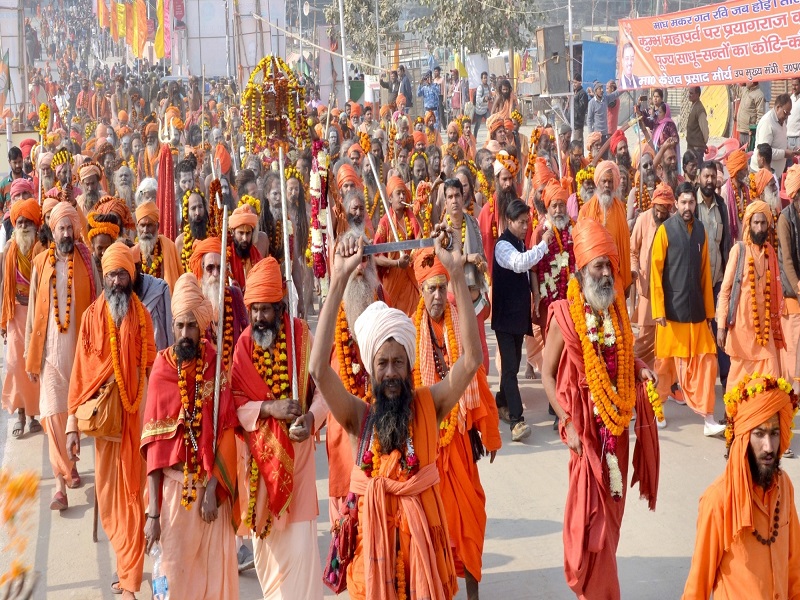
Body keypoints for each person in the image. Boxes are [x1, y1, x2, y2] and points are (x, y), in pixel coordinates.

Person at [309, 223, 481, 600]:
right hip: (373, 567)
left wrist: (454, 272)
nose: (390, 373)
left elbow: (470, 361)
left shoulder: (428, 405)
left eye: (398, 363)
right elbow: (318, 370)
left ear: (409, 365)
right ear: (372, 368)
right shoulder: (359, 418)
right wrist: (337, 281)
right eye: (382, 364)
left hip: (424, 563)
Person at [542, 216, 659, 600]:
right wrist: (567, 424)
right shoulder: (564, 315)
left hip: (618, 428)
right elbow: (546, 375)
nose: (607, 273)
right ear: (581, 271)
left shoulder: (616, 309)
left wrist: (641, 371)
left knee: (612, 516)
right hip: (584, 433)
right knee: (589, 518)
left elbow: (624, 355)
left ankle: (599, 585)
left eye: (610, 264)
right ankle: (598, 591)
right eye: (599, 266)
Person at [231, 256, 327, 599]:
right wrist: (270, 407)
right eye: (254, 309)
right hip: (259, 470)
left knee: (301, 559)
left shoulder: (302, 337)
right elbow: (234, 407)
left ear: (280, 308)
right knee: (267, 563)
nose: (258, 317)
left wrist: (312, 418)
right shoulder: (243, 347)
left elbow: (326, 390)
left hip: (297, 468)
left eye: (266, 310)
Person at [141, 273, 240, 598]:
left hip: (210, 496)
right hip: (173, 495)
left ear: (202, 328)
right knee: (174, 580)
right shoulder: (161, 370)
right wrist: (153, 513)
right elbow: (154, 450)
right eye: (180, 325)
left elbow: (227, 431)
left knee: (213, 583)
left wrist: (212, 488)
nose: (185, 334)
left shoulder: (215, 365)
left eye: (191, 327)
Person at [67, 243, 156, 598]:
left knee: (136, 500)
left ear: (131, 276)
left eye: (122, 273)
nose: (117, 281)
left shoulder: (143, 316)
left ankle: (130, 580)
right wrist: (73, 426)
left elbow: (152, 368)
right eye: (111, 275)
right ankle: (125, 566)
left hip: (137, 424)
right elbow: (81, 375)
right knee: (108, 501)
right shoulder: (91, 318)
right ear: (103, 278)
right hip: (105, 431)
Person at [411, 247, 501, 599]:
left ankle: (473, 594)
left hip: (460, 444)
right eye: (429, 289)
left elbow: (475, 377)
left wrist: (489, 432)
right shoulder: (410, 329)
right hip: (427, 447)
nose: (436, 295)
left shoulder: (457, 322)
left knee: (470, 520)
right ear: (420, 291)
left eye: (440, 287)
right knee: (437, 528)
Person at [682, 374, 800, 599]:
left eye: (774, 433)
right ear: (744, 438)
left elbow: (795, 567)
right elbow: (698, 584)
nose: (768, 446)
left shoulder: (784, 486)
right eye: (759, 434)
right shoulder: (717, 499)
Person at [25, 203, 96, 511]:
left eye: (70, 227)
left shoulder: (87, 261)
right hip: (50, 353)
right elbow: (32, 314)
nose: (66, 233)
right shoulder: (40, 263)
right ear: (52, 232)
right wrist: (31, 354)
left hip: (80, 354)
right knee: (53, 416)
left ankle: (71, 463)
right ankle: (59, 485)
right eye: (61, 228)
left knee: (74, 415)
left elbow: (96, 306)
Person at [650, 182, 723, 435]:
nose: (687, 207)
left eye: (691, 202)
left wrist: (710, 313)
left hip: (697, 313)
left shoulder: (701, 230)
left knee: (707, 361)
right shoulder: (665, 231)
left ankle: (709, 418)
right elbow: (655, 272)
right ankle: (657, 410)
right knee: (665, 365)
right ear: (676, 204)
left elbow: (705, 274)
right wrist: (658, 309)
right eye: (683, 202)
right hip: (670, 314)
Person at [492, 198, 553, 441]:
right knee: (509, 369)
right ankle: (517, 421)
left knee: (514, 362)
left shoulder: (518, 241)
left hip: (517, 316)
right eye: (521, 222)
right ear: (509, 221)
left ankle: (501, 401)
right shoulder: (503, 246)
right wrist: (543, 246)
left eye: (528, 222)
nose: (526, 226)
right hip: (505, 317)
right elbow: (520, 264)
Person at [717, 201, 785, 392]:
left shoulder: (770, 252)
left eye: (763, 223)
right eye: (756, 223)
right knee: (739, 384)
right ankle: (736, 417)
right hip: (742, 331)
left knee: (771, 378)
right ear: (748, 224)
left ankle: (767, 420)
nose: (760, 228)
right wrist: (721, 326)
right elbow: (725, 291)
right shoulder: (739, 251)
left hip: (764, 332)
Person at [1, 197, 43, 439]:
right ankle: (19, 413)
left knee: (33, 364)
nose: (24, 226)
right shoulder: (9, 250)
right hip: (16, 312)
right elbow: (4, 285)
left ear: (36, 224)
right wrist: (3, 321)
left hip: (37, 313)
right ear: (14, 225)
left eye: (28, 222)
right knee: (15, 364)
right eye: (20, 222)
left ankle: (32, 416)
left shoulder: (40, 248)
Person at [630, 183, 674, 370]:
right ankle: (634, 372)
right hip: (647, 289)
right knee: (645, 338)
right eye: (658, 206)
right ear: (653, 204)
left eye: (665, 207)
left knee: (666, 335)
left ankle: (665, 382)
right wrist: (635, 271)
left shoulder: (672, 224)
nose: (661, 211)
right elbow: (633, 250)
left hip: (667, 289)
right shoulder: (642, 220)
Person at [578, 160, 633, 297]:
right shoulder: (585, 210)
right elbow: (580, 246)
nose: (607, 185)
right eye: (604, 181)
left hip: (615, 272)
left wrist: (627, 278)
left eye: (610, 181)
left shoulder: (620, 208)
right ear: (598, 182)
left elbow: (625, 246)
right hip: (594, 275)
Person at [372, 176, 422, 316]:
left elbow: (421, 241)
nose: (402, 197)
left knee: (414, 320)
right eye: (398, 193)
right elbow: (376, 256)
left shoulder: (413, 218)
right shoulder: (384, 223)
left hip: (411, 279)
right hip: (392, 282)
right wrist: (396, 263)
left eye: (403, 193)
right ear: (389, 199)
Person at [778, 165, 800, 381]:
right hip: (792, 292)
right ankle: (793, 392)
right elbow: (787, 261)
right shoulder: (785, 219)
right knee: (793, 346)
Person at [132, 201, 182, 291]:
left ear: (157, 226)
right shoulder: (133, 253)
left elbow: (179, 280)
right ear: (137, 227)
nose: (145, 230)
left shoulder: (169, 247)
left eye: (150, 225)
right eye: (142, 225)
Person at [750, 93, 796, 176]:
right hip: (761, 173)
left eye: (788, 114)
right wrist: (784, 153)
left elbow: (780, 142)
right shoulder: (767, 122)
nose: (786, 116)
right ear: (778, 107)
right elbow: (764, 152)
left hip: (773, 174)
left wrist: (792, 149)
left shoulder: (781, 120)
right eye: (785, 112)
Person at [228, 204, 263, 291]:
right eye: (241, 233)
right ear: (233, 232)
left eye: (248, 233)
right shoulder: (226, 256)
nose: (245, 238)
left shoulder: (256, 255)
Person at [586, 83, 621, 154]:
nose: (602, 90)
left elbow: (616, 94)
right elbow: (589, 119)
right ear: (595, 91)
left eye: (602, 88)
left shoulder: (606, 99)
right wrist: (591, 134)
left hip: (605, 134)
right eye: (600, 88)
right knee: (597, 156)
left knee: (606, 155)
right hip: (596, 136)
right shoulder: (591, 103)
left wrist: (625, 87)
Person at [736, 82, 766, 147]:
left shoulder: (759, 95)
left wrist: (755, 131)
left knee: (749, 153)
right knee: (741, 154)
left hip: (750, 133)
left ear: (752, 82)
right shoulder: (745, 90)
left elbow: (760, 115)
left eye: (747, 80)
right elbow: (736, 89)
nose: (746, 82)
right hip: (742, 130)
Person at [685, 86, 709, 160]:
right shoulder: (693, 106)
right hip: (691, 146)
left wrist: (701, 144)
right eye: (689, 93)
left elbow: (705, 130)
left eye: (691, 93)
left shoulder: (700, 109)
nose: (689, 95)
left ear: (698, 94)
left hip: (697, 148)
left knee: (697, 169)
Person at [474, 71, 491, 137]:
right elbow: (477, 100)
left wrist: (490, 98)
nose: (485, 79)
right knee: (477, 126)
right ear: (481, 79)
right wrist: (484, 99)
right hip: (479, 110)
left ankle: (491, 137)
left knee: (490, 123)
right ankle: (474, 139)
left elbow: (489, 96)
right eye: (484, 78)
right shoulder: (480, 88)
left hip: (485, 110)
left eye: (486, 78)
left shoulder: (488, 87)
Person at [572, 79, 589, 143]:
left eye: (575, 82)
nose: (574, 84)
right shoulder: (573, 92)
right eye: (573, 82)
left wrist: (574, 99)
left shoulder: (583, 94)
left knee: (578, 144)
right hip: (571, 124)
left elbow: (581, 110)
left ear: (580, 82)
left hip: (578, 124)